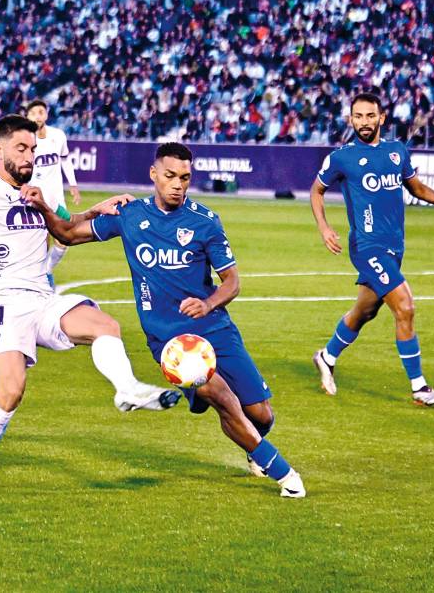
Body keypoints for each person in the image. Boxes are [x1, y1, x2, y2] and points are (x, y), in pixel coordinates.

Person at [23, 142, 306, 498]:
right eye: (170, 176)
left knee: (261, 416)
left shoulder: (205, 221)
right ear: (154, 174)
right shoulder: (130, 215)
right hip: (171, 340)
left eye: (185, 178)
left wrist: (208, 304)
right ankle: (284, 473)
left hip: (216, 329)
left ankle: (247, 440)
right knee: (222, 397)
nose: (178, 184)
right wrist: (44, 206)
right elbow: (66, 234)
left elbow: (232, 281)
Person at [0, 115, 180, 492]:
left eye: (33, 150)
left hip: (41, 297)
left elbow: (67, 228)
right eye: (21, 149)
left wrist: (95, 210)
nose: (29, 157)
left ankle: (127, 389)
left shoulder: (40, 190)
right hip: (3, 303)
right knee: (11, 390)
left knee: (105, 325)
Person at [309, 93, 434, 406]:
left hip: (394, 247)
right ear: (350, 119)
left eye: (370, 116)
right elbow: (316, 191)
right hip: (366, 246)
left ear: (381, 118)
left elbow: (417, 189)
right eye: (358, 116)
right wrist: (324, 228)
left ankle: (327, 356)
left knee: (365, 311)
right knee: (405, 306)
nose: (364, 122)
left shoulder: (397, 152)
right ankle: (419, 387)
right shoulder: (341, 157)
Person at [25, 99, 81, 287]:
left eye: (40, 112)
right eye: (33, 113)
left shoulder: (58, 136)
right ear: (27, 117)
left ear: (47, 115)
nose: (37, 116)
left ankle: (46, 271)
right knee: (41, 240)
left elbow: (65, 160)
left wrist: (73, 185)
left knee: (65, 238)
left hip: (56, 199)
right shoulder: (25, 140)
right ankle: (39, 278)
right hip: (33, 200)